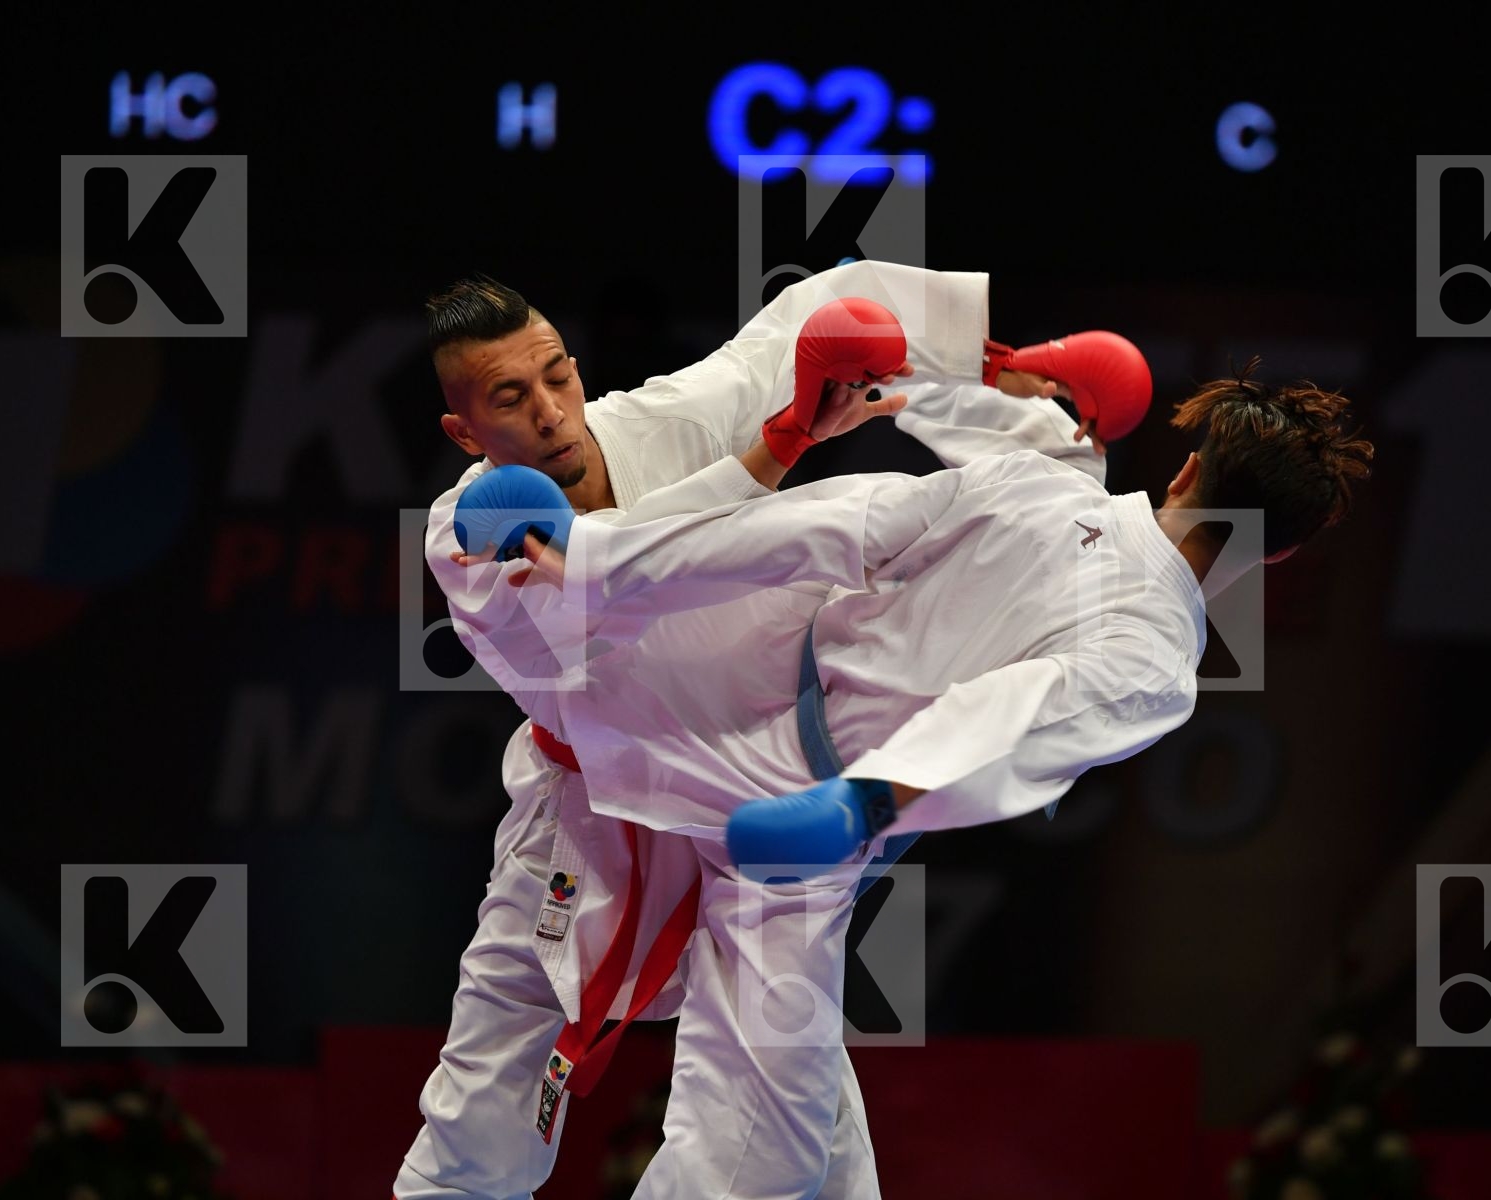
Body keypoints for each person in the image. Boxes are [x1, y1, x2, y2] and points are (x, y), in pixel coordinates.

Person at [460, 359, 1373, 1194]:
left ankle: (541, 564)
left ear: (1182, 473)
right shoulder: (1155, 657)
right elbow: (1017, 716)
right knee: (764, 1157)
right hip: (809, 808)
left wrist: (601, 556)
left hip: (735, 661)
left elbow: (833, 520)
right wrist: (870, 798)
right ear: (1278, 555)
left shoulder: (1044, 481)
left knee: (817, 1151)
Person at [396, 261, 1150, 1199]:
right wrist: (779, 447)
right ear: (463, 431)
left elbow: (802, 323)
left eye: (557, 374)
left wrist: (995, 365)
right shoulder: (465, 533)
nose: (551, 409)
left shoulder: (656, 422)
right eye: (512, 397)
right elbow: (608, 578)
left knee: (796, 1114)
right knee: (483, 1111)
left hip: (744, 788)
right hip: (584, 825)